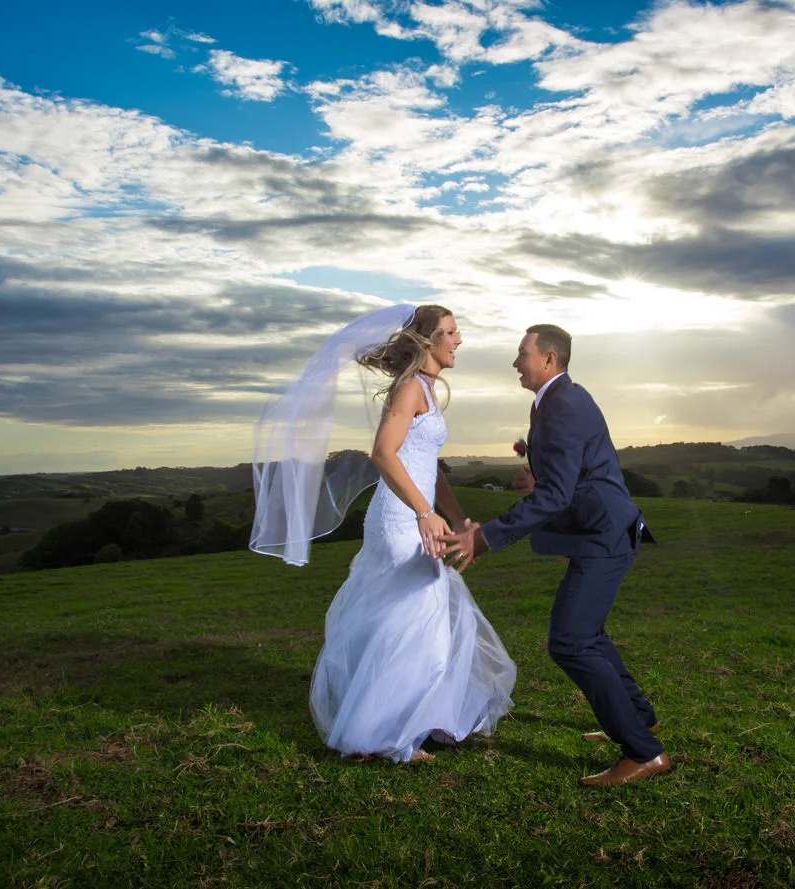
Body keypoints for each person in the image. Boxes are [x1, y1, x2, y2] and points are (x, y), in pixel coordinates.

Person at [250, 304, 515, 763]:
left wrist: (454, 516)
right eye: (451, 332)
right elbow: (383, 453)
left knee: (425, 621)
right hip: (398, 521)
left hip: (417, 516)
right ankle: (382, 734)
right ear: (428, 341)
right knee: (413, 621)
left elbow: (429, 468)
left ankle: (422, 719)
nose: (459, 340)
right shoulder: (410, 388)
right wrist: (423, 512)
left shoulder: (427, 390)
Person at [444, 324, 668, 786]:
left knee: (570, 641)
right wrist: (538, 479)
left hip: (606, 534)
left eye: (522, 353)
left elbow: (557, 496)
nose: (515, 362)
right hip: (600, 531)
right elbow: (568, 475)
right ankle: (641, 721)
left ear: (549, 359)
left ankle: (643, 753)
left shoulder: (563, 403)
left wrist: (485, 538)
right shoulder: (554, 399)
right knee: (589, 635)